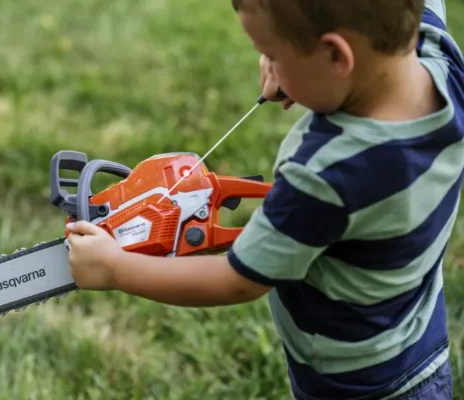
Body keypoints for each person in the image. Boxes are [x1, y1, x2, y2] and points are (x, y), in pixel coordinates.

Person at [66, 0, 462, 398]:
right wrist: (298, 67)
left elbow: (237, 281)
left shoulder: (325, 176)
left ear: (335, 56)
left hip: (355, 386)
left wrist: (116, 268)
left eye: (272, 54)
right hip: (422, 349)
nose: (267, 65)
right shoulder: (439, 57)